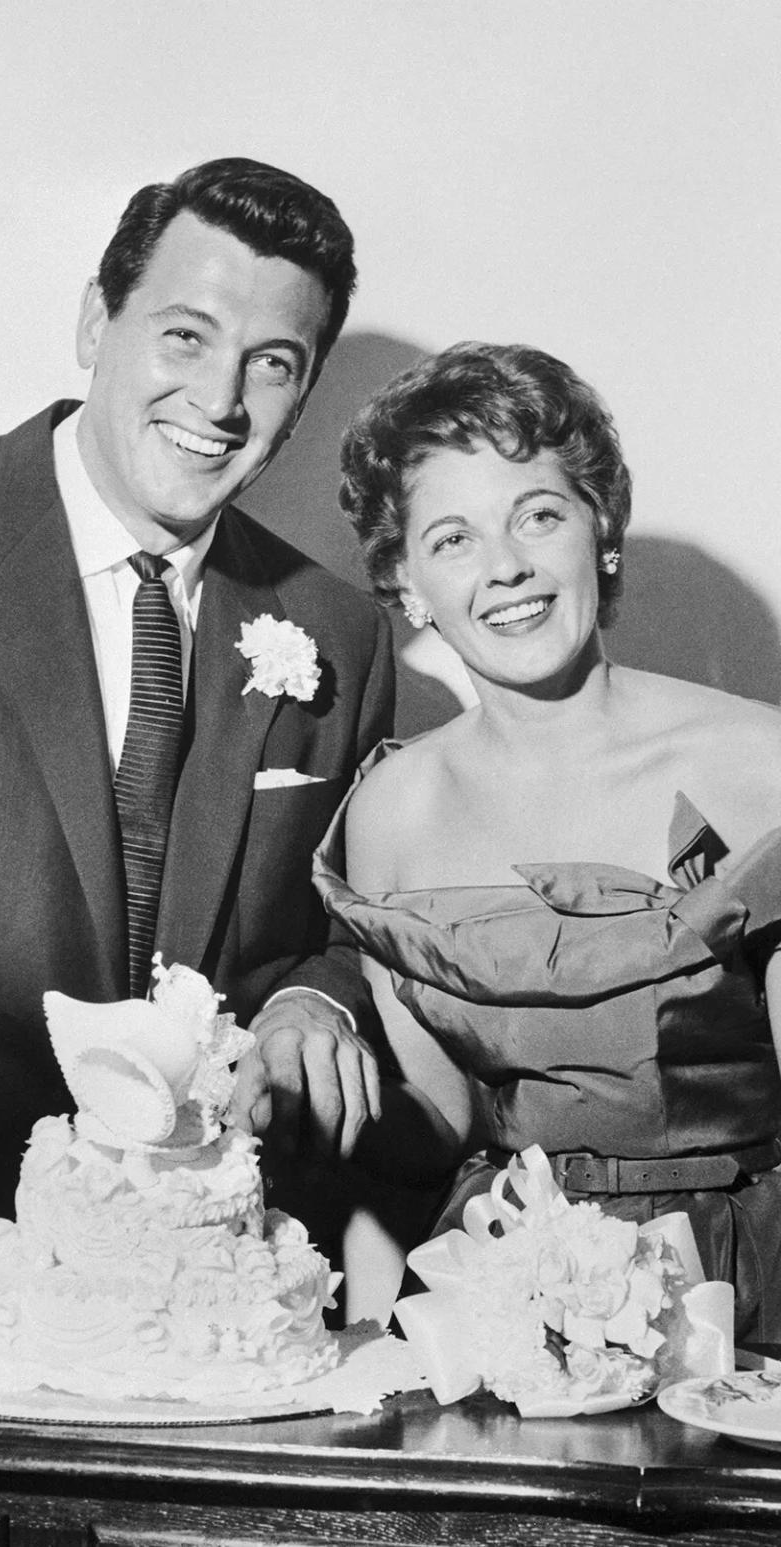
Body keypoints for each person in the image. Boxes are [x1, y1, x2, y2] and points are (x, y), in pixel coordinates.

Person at [0, 158, 393, 1239]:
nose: (220, 402)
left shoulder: (341, 632)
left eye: (271, 362)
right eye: (185, 335)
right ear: (97, 321)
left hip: (196, 1272)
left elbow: (350, 928)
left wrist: (314, 997)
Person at [314, 341, 781, 1339]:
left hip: (747, 1287)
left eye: (538, 514)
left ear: (600, 529)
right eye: (453, 539)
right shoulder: (394, 805)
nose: (507, 567)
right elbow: (436, 1123)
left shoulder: (759, 764)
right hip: (504, 1290)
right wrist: (290, 1070)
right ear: (406, 586)